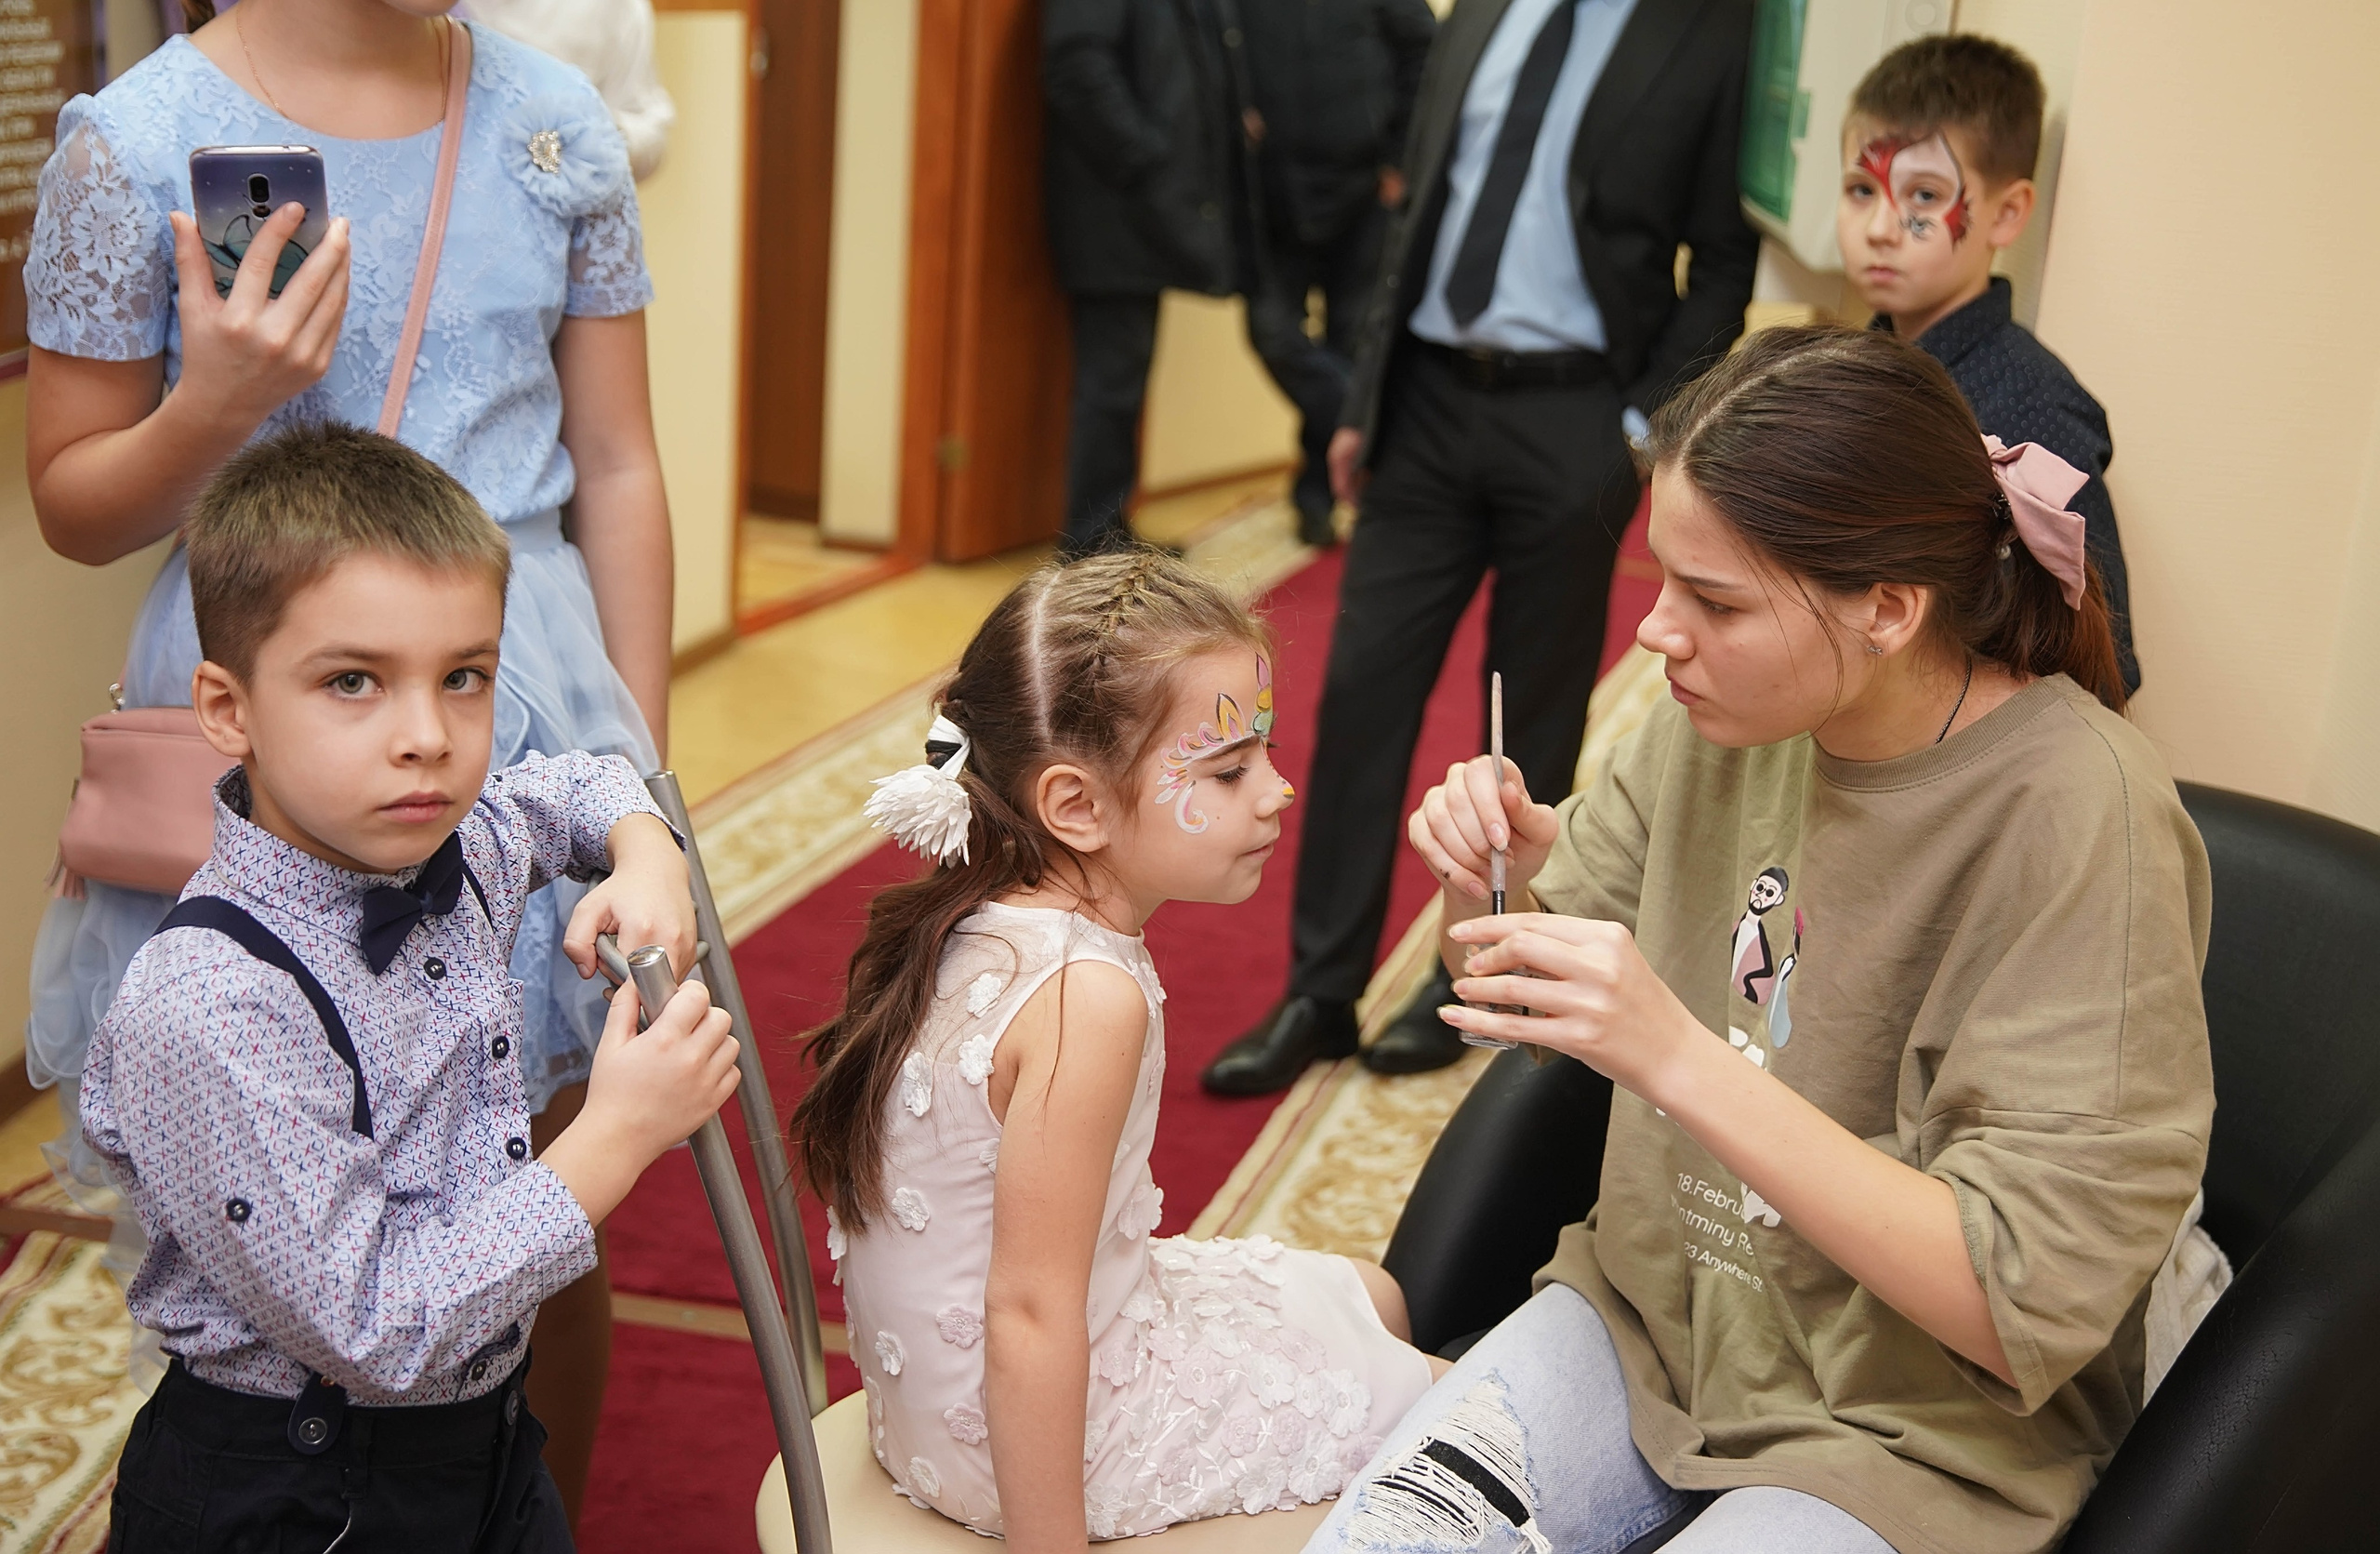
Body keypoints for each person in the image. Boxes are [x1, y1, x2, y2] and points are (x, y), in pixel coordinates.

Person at [1304, 325, 2212, 1554]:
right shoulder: (1719, 714)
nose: (1654, 633)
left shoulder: (2082, 813)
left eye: (1715, 598)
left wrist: (1679, 1053)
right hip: (1648, 1324)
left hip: (1912, 1432)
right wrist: (1487, 890)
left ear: (1889, 607)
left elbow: (2014, 1298)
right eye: (1662, 577)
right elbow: (1508, 990)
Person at [23, 0, 671, 1516]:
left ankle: (507, 1501)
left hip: (517, 692)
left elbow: (621, 460)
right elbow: (73, 496)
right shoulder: (140, 140)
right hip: (281, 722)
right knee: (268, 1198)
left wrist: (637, 754)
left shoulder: (554, 121)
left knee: (546, 1183)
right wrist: (223, 403)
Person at [85, 425, 740, 1554]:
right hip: (294, 1494)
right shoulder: (206, 1007)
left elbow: (572, 785)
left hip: (483, 1447)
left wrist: (643, 848)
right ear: (228, 711)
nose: (428, 739)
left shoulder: (461, 843)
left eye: (465, 678)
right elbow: (376, 1326)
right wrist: (613, 1136)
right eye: (354, 683)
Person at [794, 551, 1441, 1546]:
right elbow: (1030, 1315)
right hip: (1044, 1445)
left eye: (1262, 753)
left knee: (1373, 1292)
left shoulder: (975, 912)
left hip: (929, 1414)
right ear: (1077, 806)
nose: (1277, 791)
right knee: (1442, 1415)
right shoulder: (1083, 999)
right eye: (1228, 770)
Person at [1204, 0, 1761, 1095]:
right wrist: (1361, 403)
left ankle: (1477, 980)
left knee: (1528, 713)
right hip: (1425, 405)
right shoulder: (1483, 16)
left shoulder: (1710, 30)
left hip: (1575, 416)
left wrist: (1643, 423)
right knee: (1360, 692)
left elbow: (1723, 258)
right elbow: (1411, 227)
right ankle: (1319, 992)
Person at [1839, 33, 2140, 694]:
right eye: (1861, 189)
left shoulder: (2032, 411)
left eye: (1923, 198)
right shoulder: (1854, 369)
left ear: (2006, 214)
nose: (1881, 226)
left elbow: (2101, 663)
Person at [1234, 0, 1437, 548]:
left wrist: (1400, 159)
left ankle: (1317, 497)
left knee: (1349, 341)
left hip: (1365, 192)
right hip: (1272, 197)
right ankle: (1382, 437)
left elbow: (1424, 52)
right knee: (1271, 334)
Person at [1042, 0, 1237, 559]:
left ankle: (1107, 529)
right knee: (1111, 388)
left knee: (1122, 387)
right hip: (1111, 215)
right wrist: (1148, 158)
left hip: (1137, 219)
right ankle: (1087, 548)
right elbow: (1076, 68)